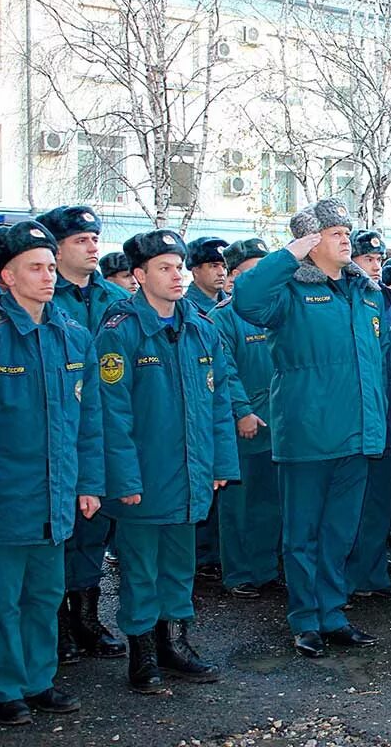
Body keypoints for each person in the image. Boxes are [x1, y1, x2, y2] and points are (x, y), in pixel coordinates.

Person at [232, 199, 386, 658]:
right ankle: (305, 618)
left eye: (347, 232)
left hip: (357, 431)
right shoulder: (289, 292)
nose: (346, 239)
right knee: (303, 532)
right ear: (311, 242)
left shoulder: (363, 291)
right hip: (307, 431)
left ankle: (333, 612)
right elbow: (246, 299)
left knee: (340, 531)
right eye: (335, 232)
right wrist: (289, 253)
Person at [96, 229, 239, 694]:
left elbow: (218, 405)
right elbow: (111, 415)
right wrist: (123, 478)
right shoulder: (121, 332)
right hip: (145, 476)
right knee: (140, 567)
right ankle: (142, 655)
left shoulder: (200, 326)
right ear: (139, 276)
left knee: (179, 565)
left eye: (179, 266)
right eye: (165, 267)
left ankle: (174, 643)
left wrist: (219, 465)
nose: (177, 275)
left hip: (191, 473)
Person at [0, 221, 103, 726]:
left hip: (55, 493)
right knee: (4, 600)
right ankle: (4, 687)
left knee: (42, 596)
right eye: (34, 268)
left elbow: (89, 420)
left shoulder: (70, 334)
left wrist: (88, 483)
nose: (47, 277)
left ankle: (38, 680)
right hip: (8, 494)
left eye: (49, 267)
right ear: (7, 277)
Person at [35, 205, 130, 664]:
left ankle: (86, 616)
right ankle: (54, 622)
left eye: (95, 239)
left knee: (96, 522)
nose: (93, 247)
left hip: (104, 425)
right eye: (81, 240)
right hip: (55, 426)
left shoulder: (113, 297)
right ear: (55, 247)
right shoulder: (45, 299)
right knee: (57, 527)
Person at [208, 238, 282, 599]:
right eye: (253, 271)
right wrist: (242, 411)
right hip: (245, 426)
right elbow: (225, 372)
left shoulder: (274, 312)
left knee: (270, 501)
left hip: (279, 422)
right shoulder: (222, 318)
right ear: (232, 276)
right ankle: (238, 573)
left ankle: (266, 568)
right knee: (238, 505)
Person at [347, 230, 391, 600]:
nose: (375, 266)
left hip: (388, 419)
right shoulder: (347, 299)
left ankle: (371, 576)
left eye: (377, 260)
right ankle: (348, 579)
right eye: (367, 259)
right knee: (352, 506)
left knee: (377, 506)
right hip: (355, 419)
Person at [183, 236, 230, 579]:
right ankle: (200, 556)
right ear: (195, 269)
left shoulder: (228, 304)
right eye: (212, 265)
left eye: (222, 266)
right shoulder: (188, 308)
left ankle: (214, 551)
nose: (220, 272)